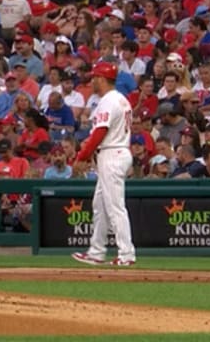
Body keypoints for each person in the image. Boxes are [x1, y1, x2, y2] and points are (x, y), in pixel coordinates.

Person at [71, 62, 136, 267]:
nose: (92, 81)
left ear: (101, 79)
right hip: (115, 152)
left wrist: (81, 157)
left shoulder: (108, 101)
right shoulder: (121, 99)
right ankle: (96, 252)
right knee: (99, 206)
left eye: (95, 77)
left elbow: (100, 133)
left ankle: (126, 254)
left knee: (115, 207)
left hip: (112, 154)